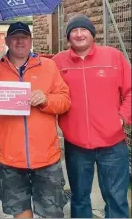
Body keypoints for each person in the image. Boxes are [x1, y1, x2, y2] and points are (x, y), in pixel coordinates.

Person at [0, 21, 71, 218]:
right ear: (7, 40)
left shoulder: (49, 66)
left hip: (46, 157)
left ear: (30, 40)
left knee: (52, 213)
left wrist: (46, 99)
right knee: (20, 212)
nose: (19, 41)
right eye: (15, 37)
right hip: (10, 157)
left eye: (24, 37)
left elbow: (65, 101)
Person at [52, 14, 131, 218]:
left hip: (112, 144)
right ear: (68, 37)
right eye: (73, 31)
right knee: (79, 199)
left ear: (92, 34)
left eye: (83, 30)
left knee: (116, 199)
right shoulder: (58, 62)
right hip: (76, 146)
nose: (78, 34)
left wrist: (122, 117)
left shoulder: (113, 57)